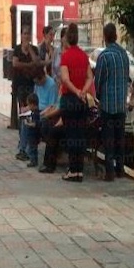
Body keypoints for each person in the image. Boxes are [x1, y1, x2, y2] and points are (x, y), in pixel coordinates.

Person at [94, 23, 131, 181]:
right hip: (121, 104)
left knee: (108, 138)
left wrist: (98, 96)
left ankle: (110, 172)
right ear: (115, 35)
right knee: (120, 138)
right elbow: (127, 76)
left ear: (104, 36)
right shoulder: (124, 54)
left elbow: (99, 80)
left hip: (108, 105)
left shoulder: (104, 56)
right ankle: (120, 169)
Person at [59, 23, 93, 182]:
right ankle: (80, 169)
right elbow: (90, 77)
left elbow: (65, 79)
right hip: (81, 100)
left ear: (66, 38)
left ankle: (72, 170)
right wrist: (83, 91)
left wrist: (75, 90)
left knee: (71, 134)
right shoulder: (83, 55)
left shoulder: (65, 56)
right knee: (80, 134)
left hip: (70, 98)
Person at [12, 25, 40, 161]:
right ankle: (22, 144)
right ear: (21, 35)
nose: (26, 36)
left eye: (28, 34)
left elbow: (37, 62)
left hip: (31, 86)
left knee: (31, 113)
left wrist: (30, 50)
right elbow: (15, 64)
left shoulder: (33, 49)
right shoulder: (17, 49)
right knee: (23, 113)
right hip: (20, 86)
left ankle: (26, 144)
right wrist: (28, 65)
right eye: (24, 33)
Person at [22, 93, 42, 168]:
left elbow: (35, 124)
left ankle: (33, 161)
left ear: (33, 105)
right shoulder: (33, 112)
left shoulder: (36, 113)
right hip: (31, 134)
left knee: (33, 149)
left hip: (34, 135)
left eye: (29, 105)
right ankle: (33, 160)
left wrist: (28, 123)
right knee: (31, 148)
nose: (29, 107)